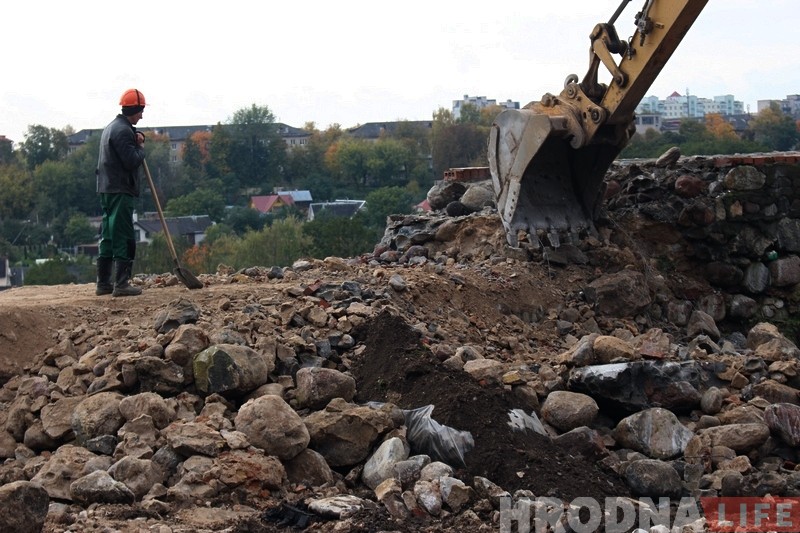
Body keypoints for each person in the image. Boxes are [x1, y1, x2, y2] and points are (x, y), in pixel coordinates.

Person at [95, 88, 147, 297]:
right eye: (141, 111)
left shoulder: (112, 128)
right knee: (123, 235)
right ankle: (122, 284)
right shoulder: (123, 131)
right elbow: (132, 160)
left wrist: (136, 137)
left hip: (106, 188)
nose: (142, 116)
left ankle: (103, 283)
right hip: (120, 189)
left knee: (108, 234)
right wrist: (141, 148)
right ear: (134, 109)